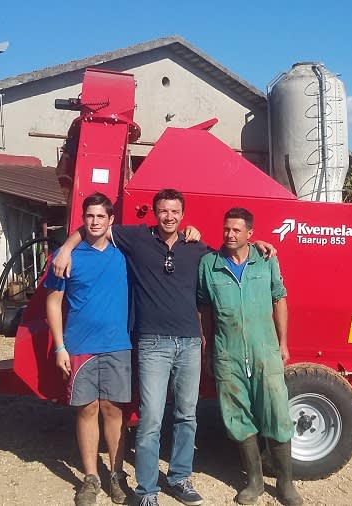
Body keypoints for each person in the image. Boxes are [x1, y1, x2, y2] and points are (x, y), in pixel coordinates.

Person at [52, 189, 275, 506]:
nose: (168, 217)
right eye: (162, 211)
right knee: (151, 419)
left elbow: (229, 253)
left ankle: (179, 479)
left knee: (187, 416)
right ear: (154, 213)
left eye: (174, 212)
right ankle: (146, 490)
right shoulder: (138, 239)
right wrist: (66, 246)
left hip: (189, 343)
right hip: (152, 343)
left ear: (183, 215)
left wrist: (257, 245)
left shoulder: (195, 246)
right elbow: (94, 225)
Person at [197, 208, 304, 506]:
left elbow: (279, 299)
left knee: (277, 415)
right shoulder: (209, 265)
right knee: (238, 418)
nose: (230, 235)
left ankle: (285, 485)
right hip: (227, 354)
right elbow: (204, 309)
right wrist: (208, 347)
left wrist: (283, 343)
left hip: (264, 352)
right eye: (226, 229)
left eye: (236, 230)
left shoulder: (266, 260)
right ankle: (254, 482)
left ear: (250, 234)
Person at [45, 192, 133, 506]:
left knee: (113, 410)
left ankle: (117, 475)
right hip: (80, 346)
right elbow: (53, 302)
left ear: (111, 221)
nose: (94, 222)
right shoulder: (65, 257)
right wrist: (59, 347)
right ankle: (91, 477)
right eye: (89, 216)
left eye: (100, 216)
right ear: (83, 220)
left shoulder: (124, 253)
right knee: (87, 410)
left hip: (117, 346)